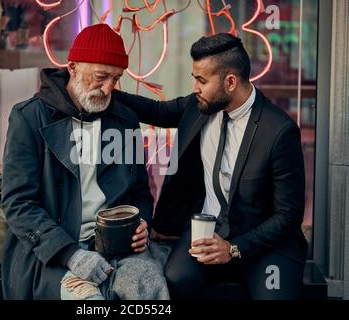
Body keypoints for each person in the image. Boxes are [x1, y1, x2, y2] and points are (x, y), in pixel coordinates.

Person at [114, 33, 307, 300]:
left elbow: (288, 216)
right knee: (175, 280)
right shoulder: (199, 106)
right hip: (205, 231)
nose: (194, 87)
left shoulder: (279, 131)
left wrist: (234, 248)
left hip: (264, 243)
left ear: (230, 82)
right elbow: (155, 111)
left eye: (201, 80)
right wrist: (99, 85)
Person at [1, 23, 169, 300]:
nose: (108, 88)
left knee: (149, 291)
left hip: (117, 246)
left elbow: (140, 191)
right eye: (101, 77)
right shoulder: (29, 117)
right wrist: (71, 254)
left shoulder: (124, 120)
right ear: (73, 67)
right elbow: (18, 204)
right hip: (52, 252)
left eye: (115, 79)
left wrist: (141, 224)